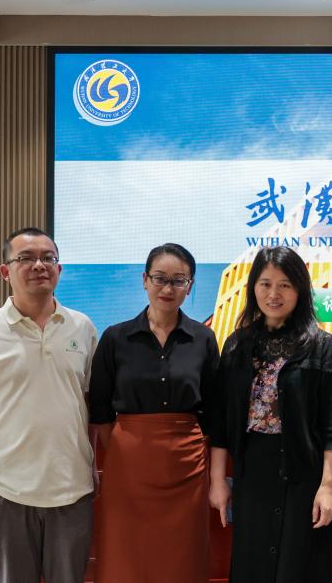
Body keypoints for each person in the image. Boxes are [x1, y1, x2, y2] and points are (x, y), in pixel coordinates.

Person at [0, 227, 97, 583]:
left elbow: (90, 406)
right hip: (5, 492)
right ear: (5, 271)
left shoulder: (83, 328)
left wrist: (92, 465)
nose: (39, 265)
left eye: (48, 258)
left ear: (59, 269)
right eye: (26, 258)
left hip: (72, 491)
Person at [210, 246, 332, 583]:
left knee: (300, 568)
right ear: (253, 288)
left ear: (300, 290)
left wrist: (327, 486)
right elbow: (221, 422)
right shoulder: (236, 345)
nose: (274, 294)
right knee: (254, 565)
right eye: (265, 284)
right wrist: (217, 481)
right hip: (252, 474)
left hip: (304, 474)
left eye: (285, 285)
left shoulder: (320, 345)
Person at [88, 243, 219, 582]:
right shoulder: (115, 337)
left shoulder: (203, 338)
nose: (167, 288)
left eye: (178, 280)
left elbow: (214, 407)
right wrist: (124, 446)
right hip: (128, 464)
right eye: (160, 278)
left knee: (183, 556)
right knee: (126, 554)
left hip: (186, 464)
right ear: (144, 280)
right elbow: (100, 408)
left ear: (190, 286)